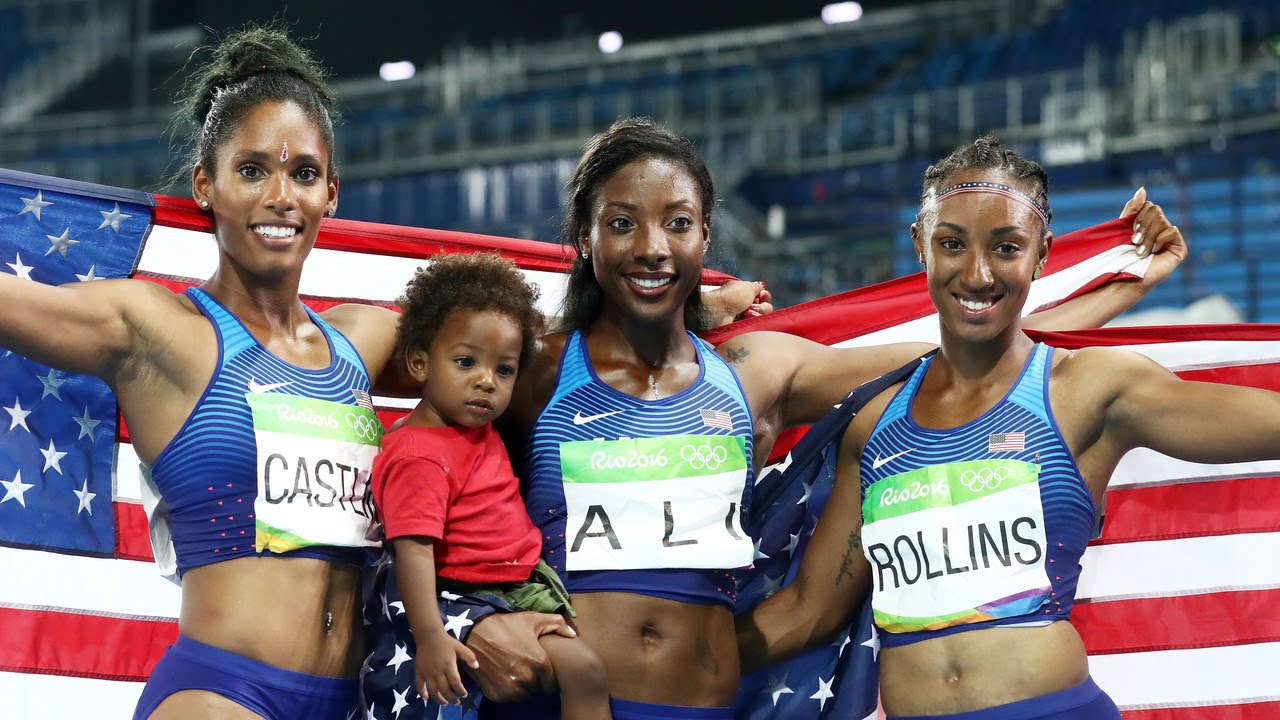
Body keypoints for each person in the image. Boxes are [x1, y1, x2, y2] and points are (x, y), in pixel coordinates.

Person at [418, 118, 1188, 719]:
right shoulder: (532, 369)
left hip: (702, 706)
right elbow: (408, 414)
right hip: (559, 702)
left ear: (705, 237)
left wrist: (1119, 287)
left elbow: (965, 346)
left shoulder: (753, 372)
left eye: (677, 224)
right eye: (622, 224)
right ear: (583, 239)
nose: (652, 246)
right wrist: (466, 622)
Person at [732, 135, 1268, 719]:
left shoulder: (1086, 390)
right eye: (952, 244)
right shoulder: (874, 424)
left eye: (1006, 247)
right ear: (920, 245)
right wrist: (669, 663)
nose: (978, 272)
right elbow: (809, 611)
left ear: (1042, 253)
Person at [368, 252, 610, 718]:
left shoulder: (476, 429)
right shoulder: (419, 453)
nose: (486, 382)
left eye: (505, 370)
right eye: (465, 362)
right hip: (468, 596)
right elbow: (413, 550)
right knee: (586, 671)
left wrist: (714, 307)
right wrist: (431, 637)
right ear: (419, 362)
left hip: (518, 584)